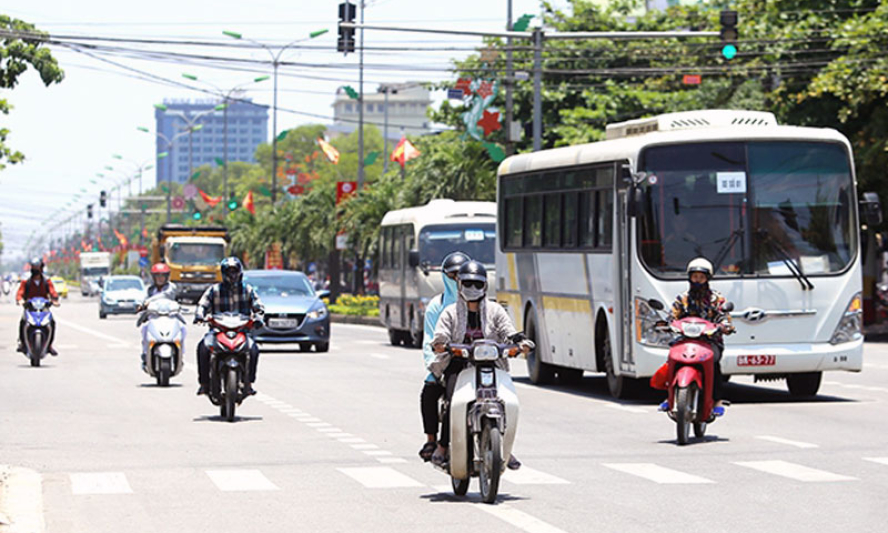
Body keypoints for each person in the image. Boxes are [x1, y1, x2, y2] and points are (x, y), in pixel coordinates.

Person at [431, 260, 533, 469]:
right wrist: (442, 345)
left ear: (485, 286)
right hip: (459, 365)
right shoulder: (450, 312)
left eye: (477, 284)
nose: (472, 288)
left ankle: (504, 449)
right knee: (453, 401)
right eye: (467, 283)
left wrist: (519, 342)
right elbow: (440, 336)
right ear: (459, 285)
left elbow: (508, 331)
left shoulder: (495, 310)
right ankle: (442, 446)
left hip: (491, 364)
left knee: (505, 401)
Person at [664, 257, 735, 416]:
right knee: (671, 359)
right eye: (694, 277)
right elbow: (673, 315)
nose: (697, 280)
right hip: (685, 340)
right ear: (689, 277)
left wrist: (724, 326)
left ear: (707, 279)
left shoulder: (715, 299)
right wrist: (667, 324)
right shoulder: (683, 298)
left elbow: (724, 316)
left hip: (710, 342)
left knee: (714, 363)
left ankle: (717, 400)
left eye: (701, 277)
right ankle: (669, 397)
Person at [418, 251, 470, 462]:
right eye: (453, 275)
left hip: (479, 360)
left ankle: (503, 446)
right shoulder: (437, 306)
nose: (458, 280)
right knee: (431, 392)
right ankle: (434, 440)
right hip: (448, 362)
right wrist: (434, 363)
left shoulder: (483, 304)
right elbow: (429, 339)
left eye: (463, 275)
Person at [194, 257, 264, 396]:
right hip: (217, 331)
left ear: (240, 272)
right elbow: (202, 305)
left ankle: (249, 383)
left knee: (254, 350)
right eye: (229, 272)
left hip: (242, 331)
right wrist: (199, 315)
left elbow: (258, 307)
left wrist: (258, 318)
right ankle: (204, 383)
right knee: (203, 348)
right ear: (223, 273)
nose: (232, 275)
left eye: (235, 271)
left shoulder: (247, 290)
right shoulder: (214, 290)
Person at [137, 263, 181, 370]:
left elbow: (165, 295)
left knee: (182, 329)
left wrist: (147, 302)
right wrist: (141, 305)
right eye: (157, 276)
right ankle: (145, 353)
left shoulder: (171, 287)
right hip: (154, 317)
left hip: (170, 316)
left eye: (162, 276)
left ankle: (180, 352)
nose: (160, 279)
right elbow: (143, 299)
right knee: (144, 329)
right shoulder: (150, 290)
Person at [16, 258, 60, 355]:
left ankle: (49, 346)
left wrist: (54, 299)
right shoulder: (26, 281)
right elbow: (20, 293)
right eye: (33, 267)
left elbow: (52, 292)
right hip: (30, 308)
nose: (35, 269)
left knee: (52, 322)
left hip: (43, 308)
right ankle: (22, 344)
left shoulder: (46, 281)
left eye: (37, 267)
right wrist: (20, 300)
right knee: (23, 322)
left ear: (41, 268)